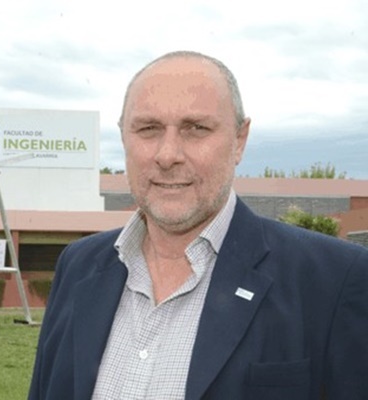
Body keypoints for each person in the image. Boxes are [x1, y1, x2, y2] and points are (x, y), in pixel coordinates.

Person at [28, 50, 368, 400]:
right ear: (124, 137)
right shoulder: (78, 265)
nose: (167, 155)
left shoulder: (333, 281)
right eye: (148, 129)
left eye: (196, 129)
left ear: (239, 140)